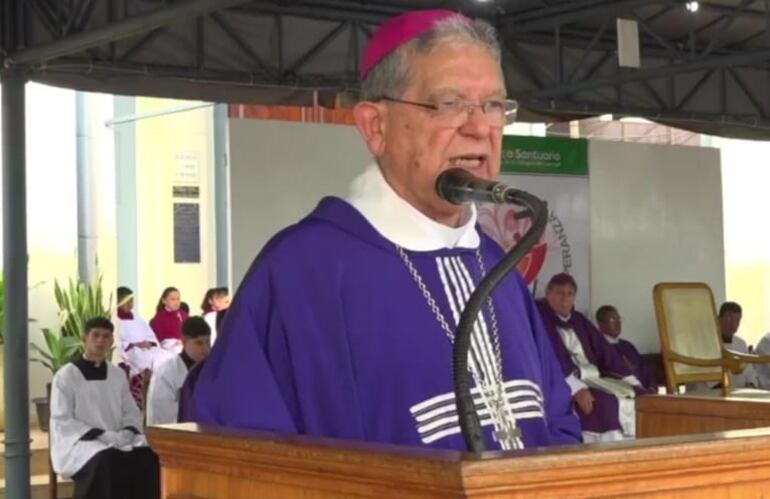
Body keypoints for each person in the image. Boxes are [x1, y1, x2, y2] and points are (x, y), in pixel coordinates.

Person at [186, 9, 581, 451]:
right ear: (376, 126)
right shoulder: (302, 272)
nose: (478, 128)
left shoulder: (497, 267)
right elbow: (236, 459)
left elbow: (557, 419)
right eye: (449, 104)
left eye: (492, 105)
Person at [50, 317, 160, 499]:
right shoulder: (66, 375)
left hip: (118, 438)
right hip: (80, 443)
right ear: (84, 338)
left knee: (148, 455)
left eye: (106, 336)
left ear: (111, 341)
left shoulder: (117, 374)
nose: (100, 340)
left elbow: (130, 410)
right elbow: (62, 419)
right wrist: (101, 434)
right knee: (106, 459)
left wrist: (128, 432)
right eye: (96, 335)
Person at [536, 273, 647, 442]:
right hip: (563, 381)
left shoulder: (579, 321)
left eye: (569, 294)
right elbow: (549, 360)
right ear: (548, 294)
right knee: (603, 403)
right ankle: (608, 454)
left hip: (594, 379)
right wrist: (576, 389)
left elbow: (605, 352)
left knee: (638, 396)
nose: (565, 300)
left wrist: (632, 380)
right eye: (559, 293)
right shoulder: (540, 320)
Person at [146, 317, 212, 426]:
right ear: (184, 341)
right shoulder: (166, 374)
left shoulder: (211, 370)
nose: (205, 349)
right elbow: (163, 417)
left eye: (207, 342)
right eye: (199, 343)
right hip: (172, 435)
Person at [596, 305, 657, 391]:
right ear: (600, 324)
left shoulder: (627, 345)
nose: (618, 323)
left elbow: (644, 368)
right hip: (623, 392)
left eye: (618, 319)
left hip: (644, 392)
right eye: (612, 320)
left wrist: (651, 387)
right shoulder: (598, 347)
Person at [116, 286, 173, 378]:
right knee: (155, 363)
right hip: (131, 351)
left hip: (147, 348)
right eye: (128, 301)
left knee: (170, 357)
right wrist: (134, 344)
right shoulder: (114, 320)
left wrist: (150, 343)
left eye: (132, 301)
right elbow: (115, 343)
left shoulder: (138, 318)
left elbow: (150, 335)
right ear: (119, 301)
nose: (131, 304)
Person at [718, 301, 757, 388]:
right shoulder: (705, 343)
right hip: (712, 393)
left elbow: (750, 371)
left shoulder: (741, 344)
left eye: (737, 319)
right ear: (719, 319)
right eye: (729, 318)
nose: (733, 323)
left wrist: (751, 384)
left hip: (741, 394)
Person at [149, 287, 188, 354]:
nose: (176, 302)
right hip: (167, 350)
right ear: (164, 301)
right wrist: (174, 342)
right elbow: (157, 341)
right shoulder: (158, 318)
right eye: (173, 299)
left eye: (178, 299)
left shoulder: (184, 315)